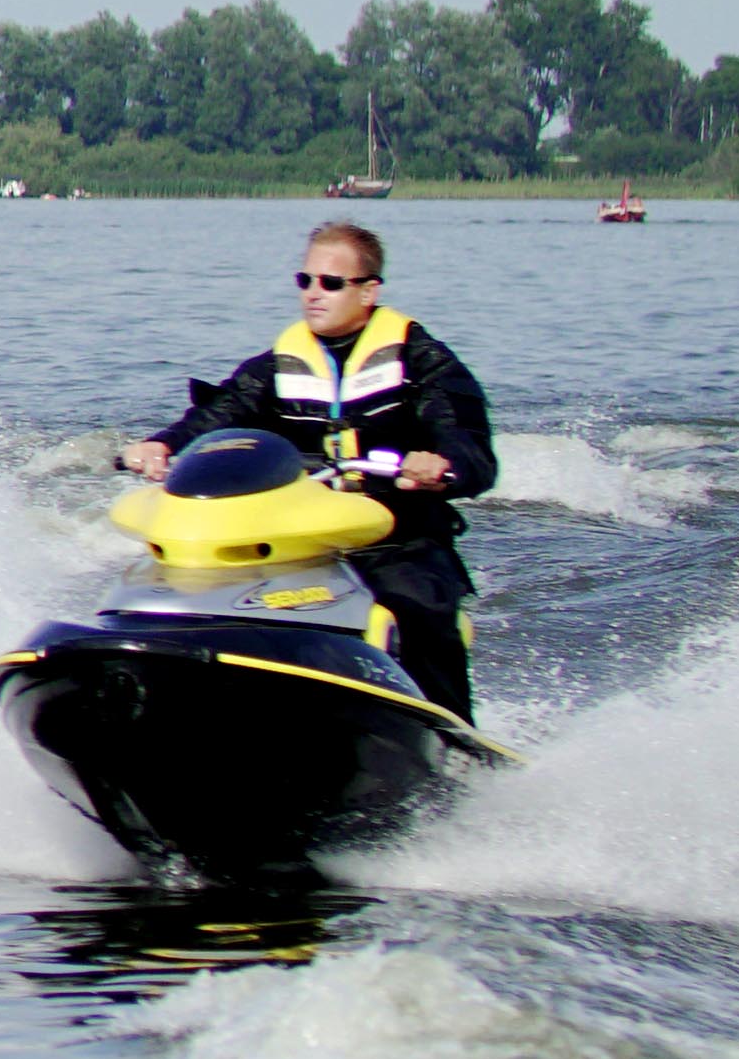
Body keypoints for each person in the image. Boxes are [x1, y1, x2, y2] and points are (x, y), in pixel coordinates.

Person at [119, 218, 499, 717]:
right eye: (305, 281)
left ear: (368, 291)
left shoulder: (423, 363)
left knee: (420, 603)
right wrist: (163, 446)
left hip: (396, 533)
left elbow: (469, 447)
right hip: (299, 529)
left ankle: (447, 734)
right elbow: (218, 417)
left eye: (331, 283)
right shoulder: (277, 366)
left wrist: (443, 465)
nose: (313, 294)